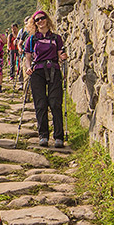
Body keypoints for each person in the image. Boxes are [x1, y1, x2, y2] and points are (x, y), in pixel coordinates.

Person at [23, 10, 67, 148]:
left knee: (55, 102)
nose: (40, 21)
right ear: (34, 23)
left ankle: (58, 136)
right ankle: (43, 135)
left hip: (53, 70)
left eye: (42, 18)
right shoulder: (31, 39)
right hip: (37, 72)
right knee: (40, 104)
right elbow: (28, 57)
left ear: (47, 19)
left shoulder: (56, 38)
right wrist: (28, 68)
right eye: (37, 20)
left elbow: (60, 54)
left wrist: (63, 57)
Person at [7, 23, 22, 88]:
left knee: (19, 62)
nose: (13, 30)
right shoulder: (10, 35)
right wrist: (8, 48)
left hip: (18, 49)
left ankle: (18, 73)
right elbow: (8, 43)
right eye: (12, 29)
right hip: (12, 50)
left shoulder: (19, 34)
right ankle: (12, 75)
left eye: (15, 28)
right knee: (12, 63)